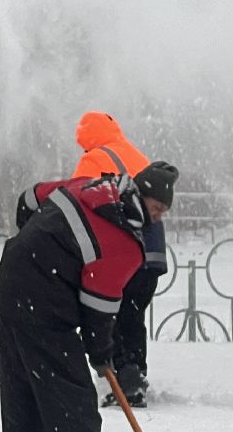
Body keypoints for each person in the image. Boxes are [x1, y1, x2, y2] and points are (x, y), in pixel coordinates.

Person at [0, 172, 168, 432]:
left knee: (24, 392)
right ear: (141, 196)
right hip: (44, 302)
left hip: (12, 281)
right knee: (71, 398)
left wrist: (35, 242)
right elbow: (99, 310)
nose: (158, 217)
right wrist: (102, 354)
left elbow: (29, 198)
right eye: (157, 207)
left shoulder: (89, 186)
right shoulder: (126, 244)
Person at [72, 111, 176, 408]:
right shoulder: (135, 153)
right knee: (133, 316)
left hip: (121, 250)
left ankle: (122, 383)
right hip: (151, 252)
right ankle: (136, 375)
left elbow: (80, 203)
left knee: (109, 315)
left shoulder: (92, 160)